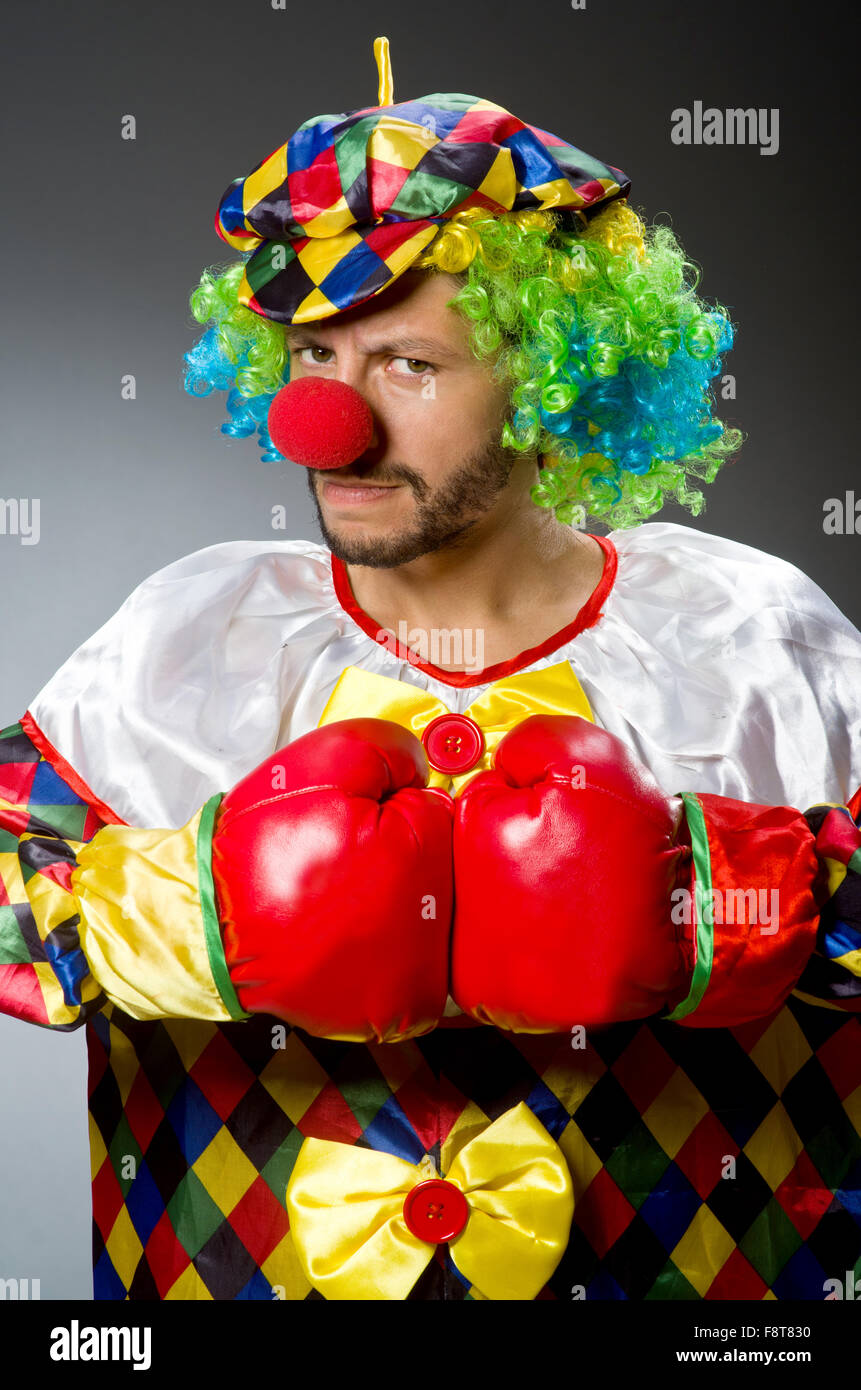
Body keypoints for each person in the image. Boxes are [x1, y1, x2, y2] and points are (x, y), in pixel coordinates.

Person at [1, 37, 859, 1301]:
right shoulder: (192, 634)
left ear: (559, 382)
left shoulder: (745, 632)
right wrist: (192, 912)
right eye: (313, 358)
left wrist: (715, 908)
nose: (330, 424)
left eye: (408, 363)